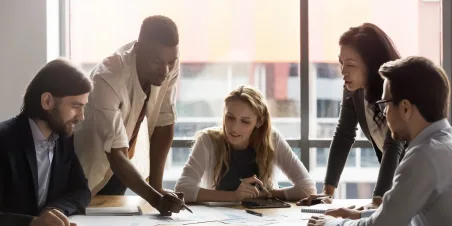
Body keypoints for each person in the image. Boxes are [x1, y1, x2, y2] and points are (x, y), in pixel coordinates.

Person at [308, 56, 452, 226]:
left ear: (405, 108)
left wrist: (329, 224)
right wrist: (358, 216)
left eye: (385, 105)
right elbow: (399, 212)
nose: (383, 113)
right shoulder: (442, 145)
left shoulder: (422, 157)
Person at [73, 15, 184, 216]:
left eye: (171, 61)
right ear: (139, 50)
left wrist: (157, 189)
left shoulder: (168, 64)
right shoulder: (108, 76)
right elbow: (115, 153)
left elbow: (164, 122)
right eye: (157, 61)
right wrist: (157, 200)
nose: (166, 71)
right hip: (84, 170)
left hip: (122, 170)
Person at [299, 23, 406, 209]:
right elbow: (344, 134)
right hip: (398, 182)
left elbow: (393, 145)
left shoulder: (395, 88)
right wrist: (327, 192)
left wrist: (377, 201)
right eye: (341, 63)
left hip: (418, 172)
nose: (343, 71)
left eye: (350, 64)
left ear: (372, 65)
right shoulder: (353, 89)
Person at [175, 85, 317, 203]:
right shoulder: (207, 141)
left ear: (259, 122)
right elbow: (182, 189)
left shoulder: (272, 139)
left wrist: (267, 194)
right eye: (230, 117)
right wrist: (235, 196)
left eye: (245, 121)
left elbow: (307, 188)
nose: (234, 128)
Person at [0, 59, 92, 226]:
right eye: (76, 106)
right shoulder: (3, 140)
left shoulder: (63, 138)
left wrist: (54, 211)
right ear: (47, 101)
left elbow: (81, 191)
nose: (81, 116)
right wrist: (33, 223)